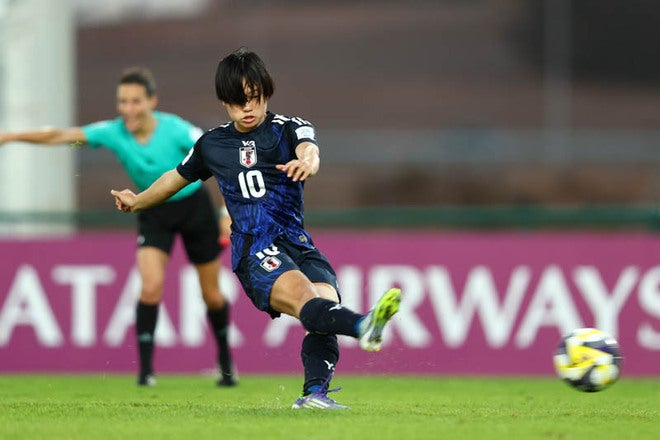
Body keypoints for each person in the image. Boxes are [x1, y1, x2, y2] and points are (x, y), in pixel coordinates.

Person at [110, 48, 401, 409]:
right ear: (224, 101)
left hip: (296, 242)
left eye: (254, 97)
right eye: (237, 101)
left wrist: (306, 163)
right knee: (308, 300)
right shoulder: (212, 144)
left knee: (325, 309)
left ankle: (314, 395)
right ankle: (363, 326)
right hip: (254, 248)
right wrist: (138, 201)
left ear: (266, 91)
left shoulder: (290, 128)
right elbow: (175, 178)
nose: (247, 108)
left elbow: (310, 152)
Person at [0, 67, 237, 387]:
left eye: (136, 101)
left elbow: (220, 160)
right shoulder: (113, 132)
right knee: (150, 287)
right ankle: (146, 374)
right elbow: (62, 136)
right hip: (152, 209)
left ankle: (226, 364)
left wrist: (225, 212)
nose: (128, 109)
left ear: (152, 101)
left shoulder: (177, 130)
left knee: (211, 294)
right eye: (123, 101)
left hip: (195, 209)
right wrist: (11, 137)